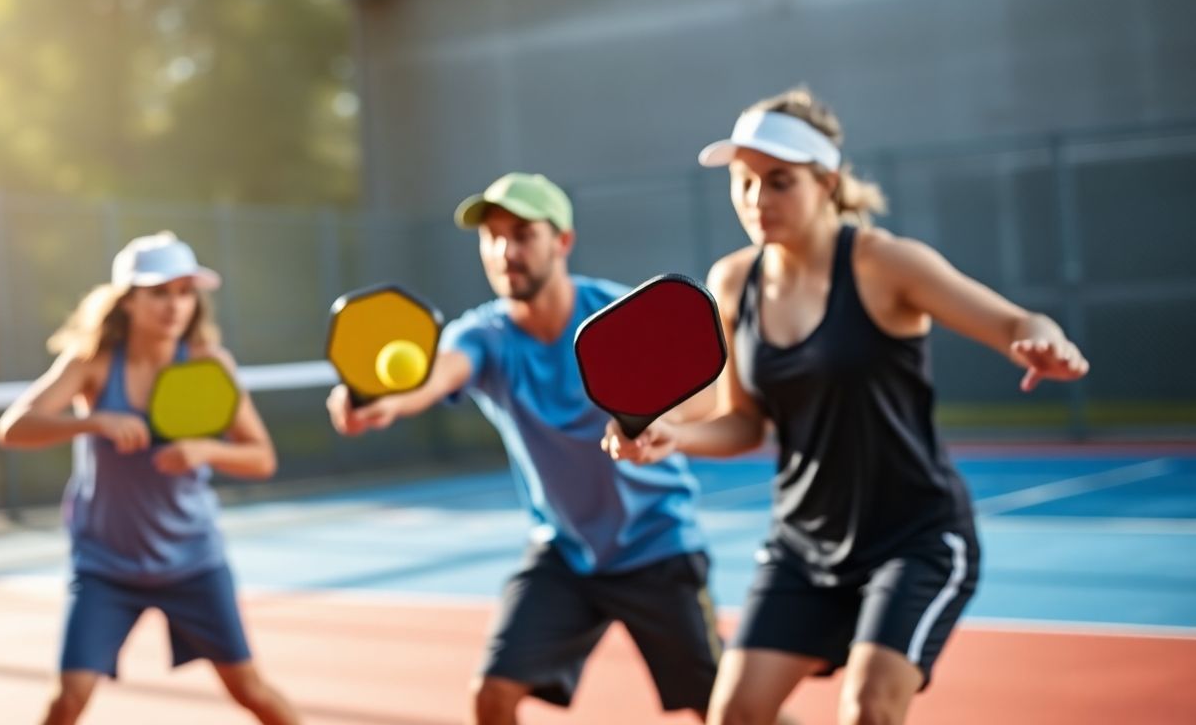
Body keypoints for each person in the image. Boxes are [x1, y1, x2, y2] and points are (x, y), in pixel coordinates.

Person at [603, 88, 1090, 725]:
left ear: (827, 182)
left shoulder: (887, 264)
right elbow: (745, 421)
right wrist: (674, 434)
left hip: (915, 538)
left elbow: (1017, 322)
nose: (756, 198)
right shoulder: (733, 282)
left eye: (779, 181)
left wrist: (1046, 343)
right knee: (734, 713)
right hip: (804, 544)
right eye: (744, 181)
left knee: (867, 709)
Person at [326, 173, 722, 724]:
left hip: (656, 545)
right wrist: (385, 402)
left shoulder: (616, 313)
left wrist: (665, 420)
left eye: (522, 234)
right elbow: (438, 373)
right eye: (491, 237)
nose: (504, 251)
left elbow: (705, 394)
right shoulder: (484, 335)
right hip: (565, 552)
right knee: (492, 695)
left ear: (563, 241)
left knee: (728, 712)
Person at [0, 231, 300, 725]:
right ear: (128, 301)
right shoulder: (92, 363)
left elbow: (262, 458)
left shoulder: (208, 364)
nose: (174, 305)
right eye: (159, 292)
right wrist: (94, 421)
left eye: (185, 292)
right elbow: (12, 428)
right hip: (105, 567)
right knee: (69, 698)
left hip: (193, 563)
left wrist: (206, 449)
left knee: (250, 690)